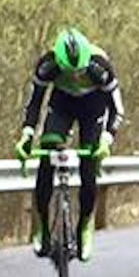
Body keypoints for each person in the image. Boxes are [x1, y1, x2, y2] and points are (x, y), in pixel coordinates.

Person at [14, 26, 124, 262]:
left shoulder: (99, 66)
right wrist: (26, 135)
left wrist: (106, 140)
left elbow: (117, 109)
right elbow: (34, 103)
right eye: (69, 72)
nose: (75, 77)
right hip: (61, 105)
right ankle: (42, 226)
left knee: (88, 165)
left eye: (80, 72)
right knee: (47, 156)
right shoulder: (48, 64)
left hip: (93, 108)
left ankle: (84, 225)